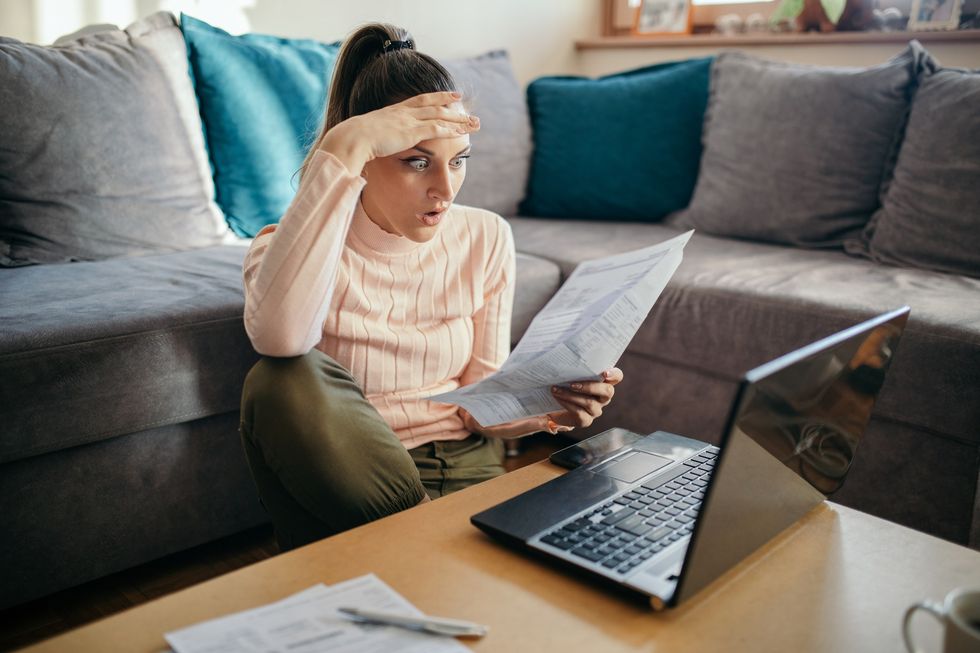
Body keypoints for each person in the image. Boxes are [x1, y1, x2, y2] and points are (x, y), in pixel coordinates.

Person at [238, 22, 624, 551]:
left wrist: (552, 407)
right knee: (278, 378)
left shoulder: (485, 236)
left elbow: (480, 402)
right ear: (364, 158)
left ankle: (426, 550)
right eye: (417, 162)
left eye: (458, 161)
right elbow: (279, 342)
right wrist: (342, 145)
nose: (445, 190)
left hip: (466, 466)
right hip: (350, 482)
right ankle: (420, 542)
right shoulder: (285, 247)